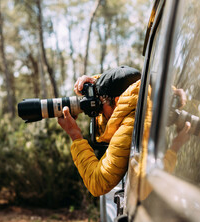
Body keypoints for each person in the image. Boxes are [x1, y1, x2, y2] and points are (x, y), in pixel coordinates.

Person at [58, 66, 190, 196]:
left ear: (117, 101)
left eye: (101, 102)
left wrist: (75, 136)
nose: (100, 111)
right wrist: (95, 83)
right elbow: (125, 83)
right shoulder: (145, 100)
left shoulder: (129, 126)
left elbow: (97, 182)